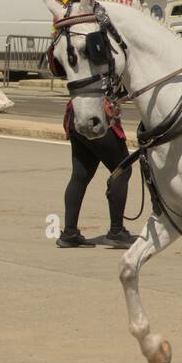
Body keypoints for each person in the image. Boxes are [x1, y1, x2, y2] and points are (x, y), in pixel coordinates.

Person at [56, 93, 136, 249]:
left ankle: (70, 232)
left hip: (76, 111)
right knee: (122, 169)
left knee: (80, 175)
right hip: (95, 113)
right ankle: (116, 231)